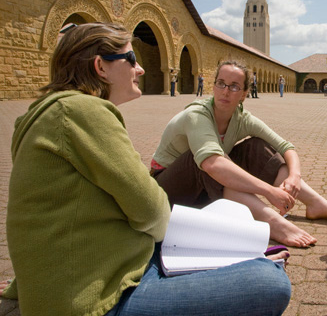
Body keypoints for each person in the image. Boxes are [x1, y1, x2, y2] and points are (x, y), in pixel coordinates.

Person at [2, 23, 291, 315]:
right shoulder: (83, 112)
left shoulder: (44, 114)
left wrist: (25, 284)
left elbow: (42, 216)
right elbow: (152, 210)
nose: (140, 69)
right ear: (100, 66)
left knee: (237, 247)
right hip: (96, 297)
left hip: (104, 261)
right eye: (130, 59)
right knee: (269, 281)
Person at [151, 60, 327, 248]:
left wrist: (294, 176)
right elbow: (213, 164)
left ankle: (316, 204)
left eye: (234, 86)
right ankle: (273, 222)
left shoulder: (242, 119)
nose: (225, 91)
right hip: (167, 193)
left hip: (205, 189)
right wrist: (269, 191)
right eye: (221, 83)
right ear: (213, 86)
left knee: (255, 147)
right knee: (208, 159)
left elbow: (286, 147)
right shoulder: (197, 114)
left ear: (245, 94)